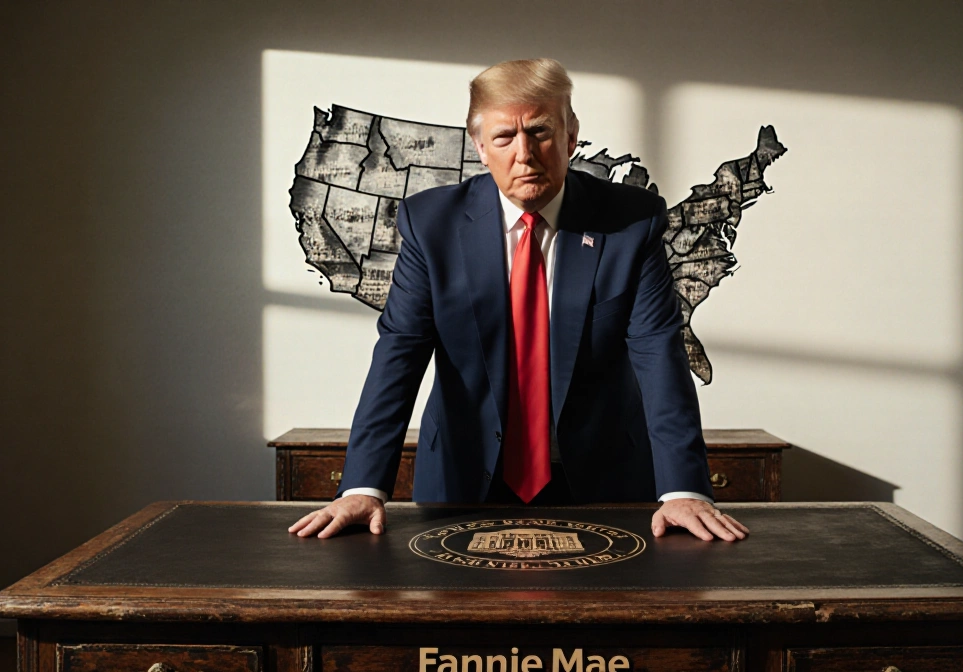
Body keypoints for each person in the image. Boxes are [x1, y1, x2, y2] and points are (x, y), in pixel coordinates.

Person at [288, 58, 748, 543]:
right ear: (480, 148)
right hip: (462, 480)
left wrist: (683, 489)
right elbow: (399, 353)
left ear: (571, 137)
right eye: (505, 137)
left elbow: (659, 353)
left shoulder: (631, 224)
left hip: (605, 480)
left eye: (541, 131)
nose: (524, 154)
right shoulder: (432, 225)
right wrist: (363, 485)